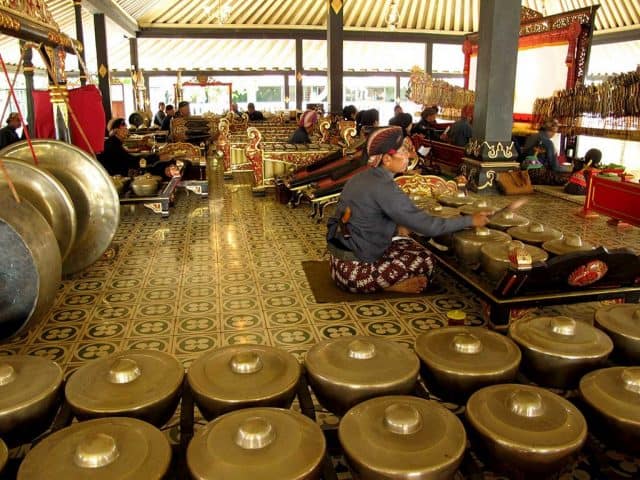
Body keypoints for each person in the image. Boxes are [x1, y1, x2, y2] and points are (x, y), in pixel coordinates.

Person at [326, 126, 489, 294]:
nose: (409, 156)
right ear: (387, 159)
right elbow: (428, 226)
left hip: (337, 265)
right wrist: (470, 220)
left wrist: (397, 227)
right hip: (355, 274)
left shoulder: (361, 177)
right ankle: (391, 286)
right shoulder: (384, 186)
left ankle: (382, 281)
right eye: (403, 152)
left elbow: (366, 217)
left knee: (408, 243)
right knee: (426, 259)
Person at [99, 118, 175, 178]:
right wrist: (158, 157)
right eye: (124, 129)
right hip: (116, 178)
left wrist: (157, 156)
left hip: (121, 172)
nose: (127, 131)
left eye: (126, 128)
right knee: (157, 168)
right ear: (116, 131)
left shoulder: (113, 142)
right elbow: (133, 162)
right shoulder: (112, 145)